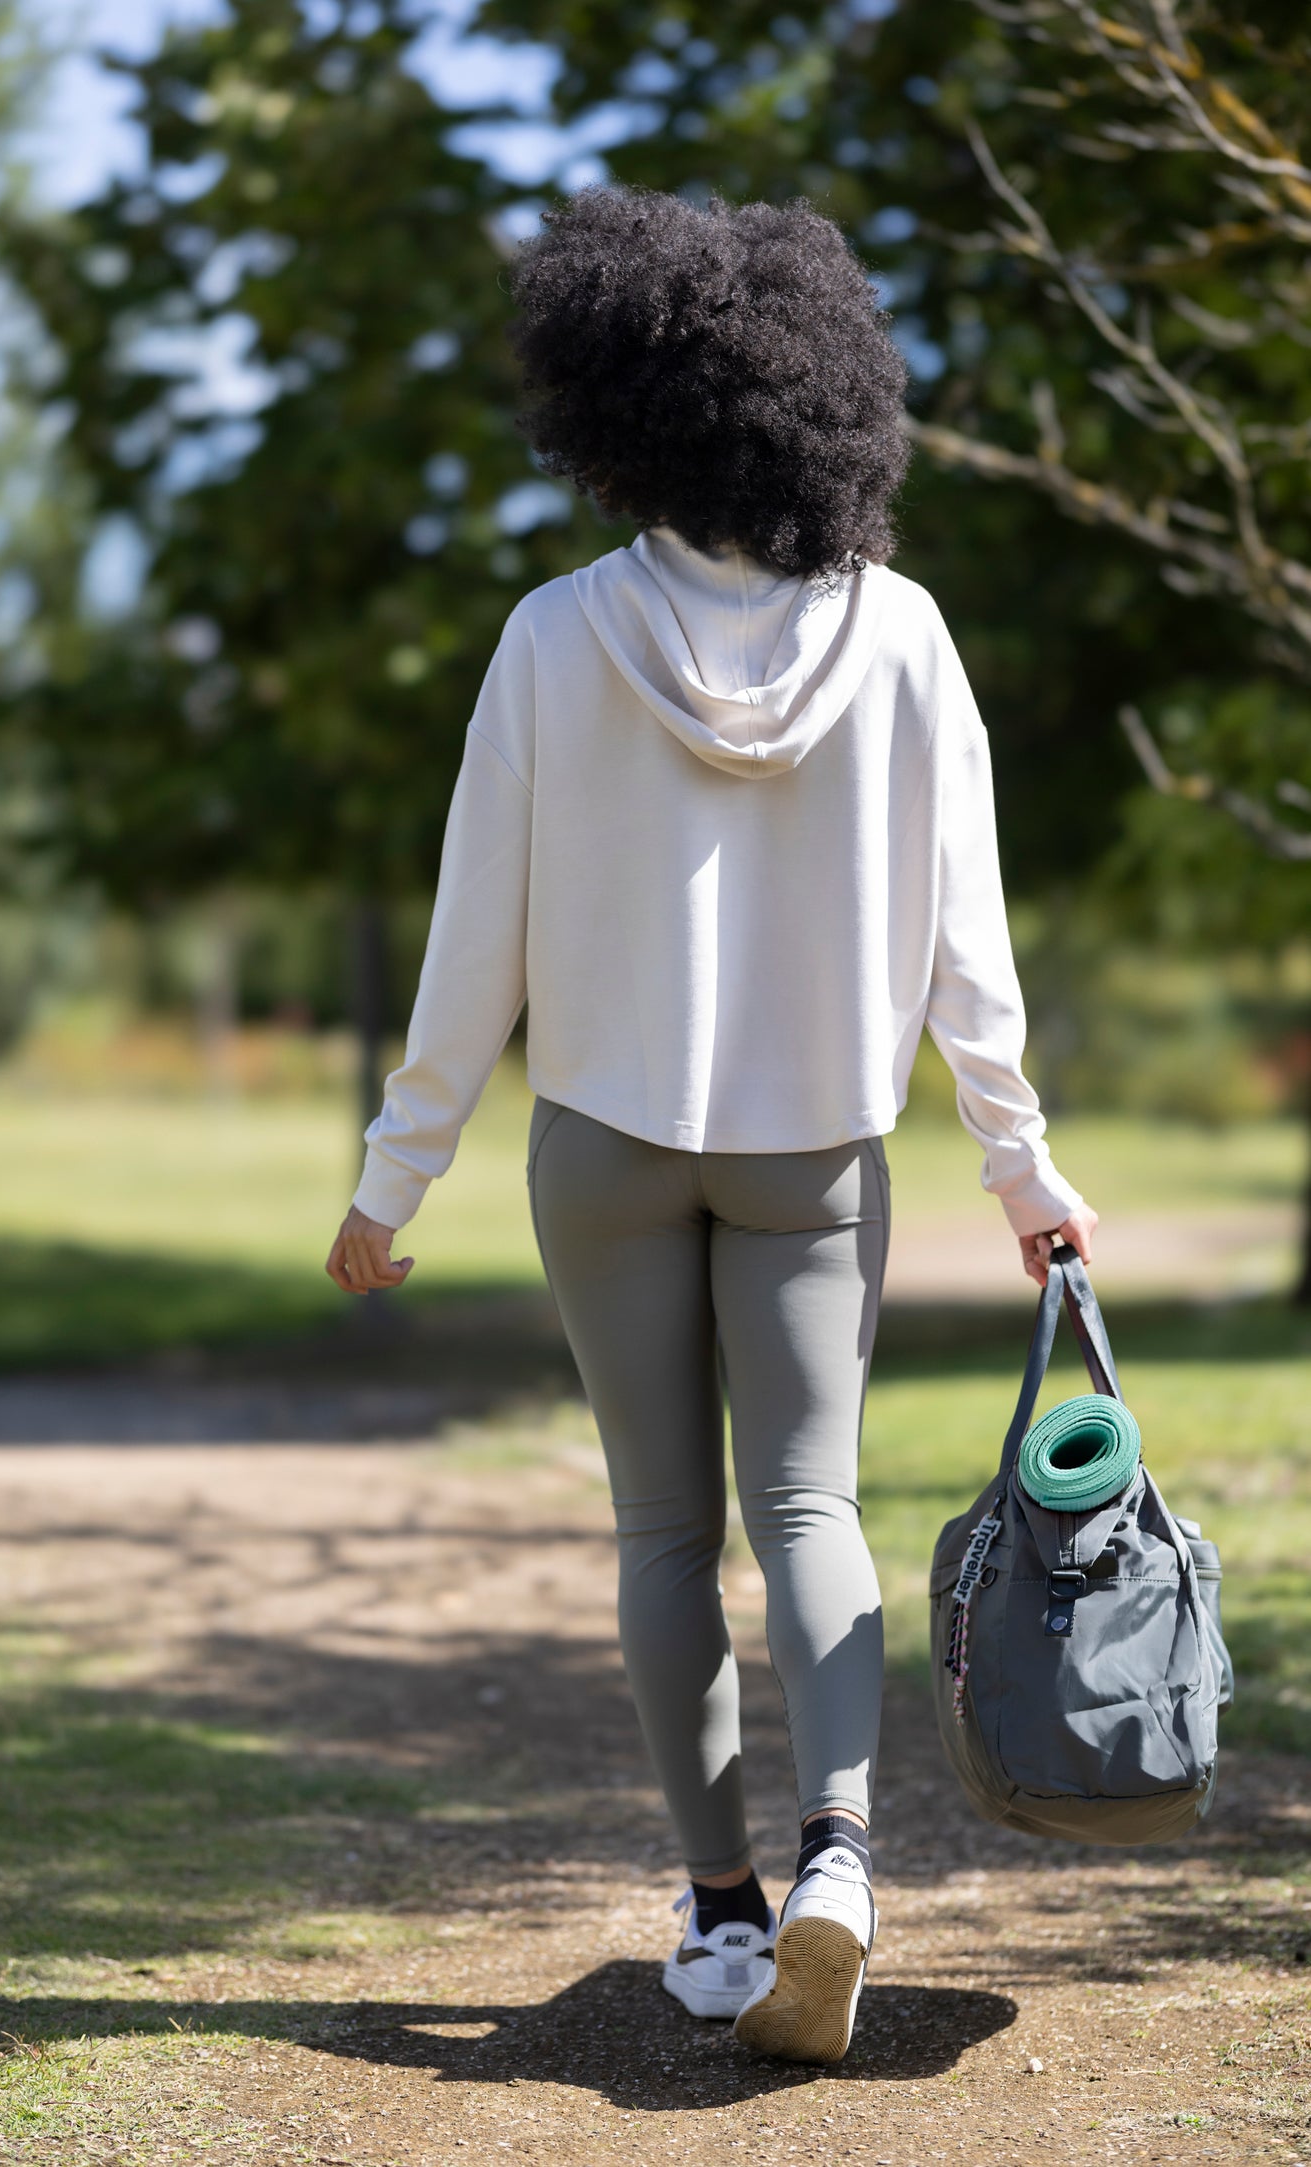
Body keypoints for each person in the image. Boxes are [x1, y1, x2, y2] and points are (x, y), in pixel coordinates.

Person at [325, 185, 1098, 2066]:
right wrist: (1021, 1163)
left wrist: (390, 1171)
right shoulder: (905, 641)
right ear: (822, 396)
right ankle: (843, 1857)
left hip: (600, 1143)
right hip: (812, 1154)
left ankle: (723, 1915)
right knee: (811, 1501)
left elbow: (469, 943)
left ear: (615, 405)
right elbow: (963, 954)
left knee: (664, 1533)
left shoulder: (552, 638)